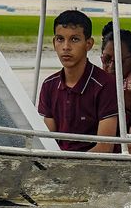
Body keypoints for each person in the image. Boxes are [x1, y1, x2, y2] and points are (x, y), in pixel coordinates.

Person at [37, 10, 118, 153]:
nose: (66, 47)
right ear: (54, 42)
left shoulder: (105, 85)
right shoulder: (49, 85)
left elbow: (104, 147)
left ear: (88, 44)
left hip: (94, 166)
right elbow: (48, 140)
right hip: (56, 161)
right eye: (60, 39)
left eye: (74, 39)